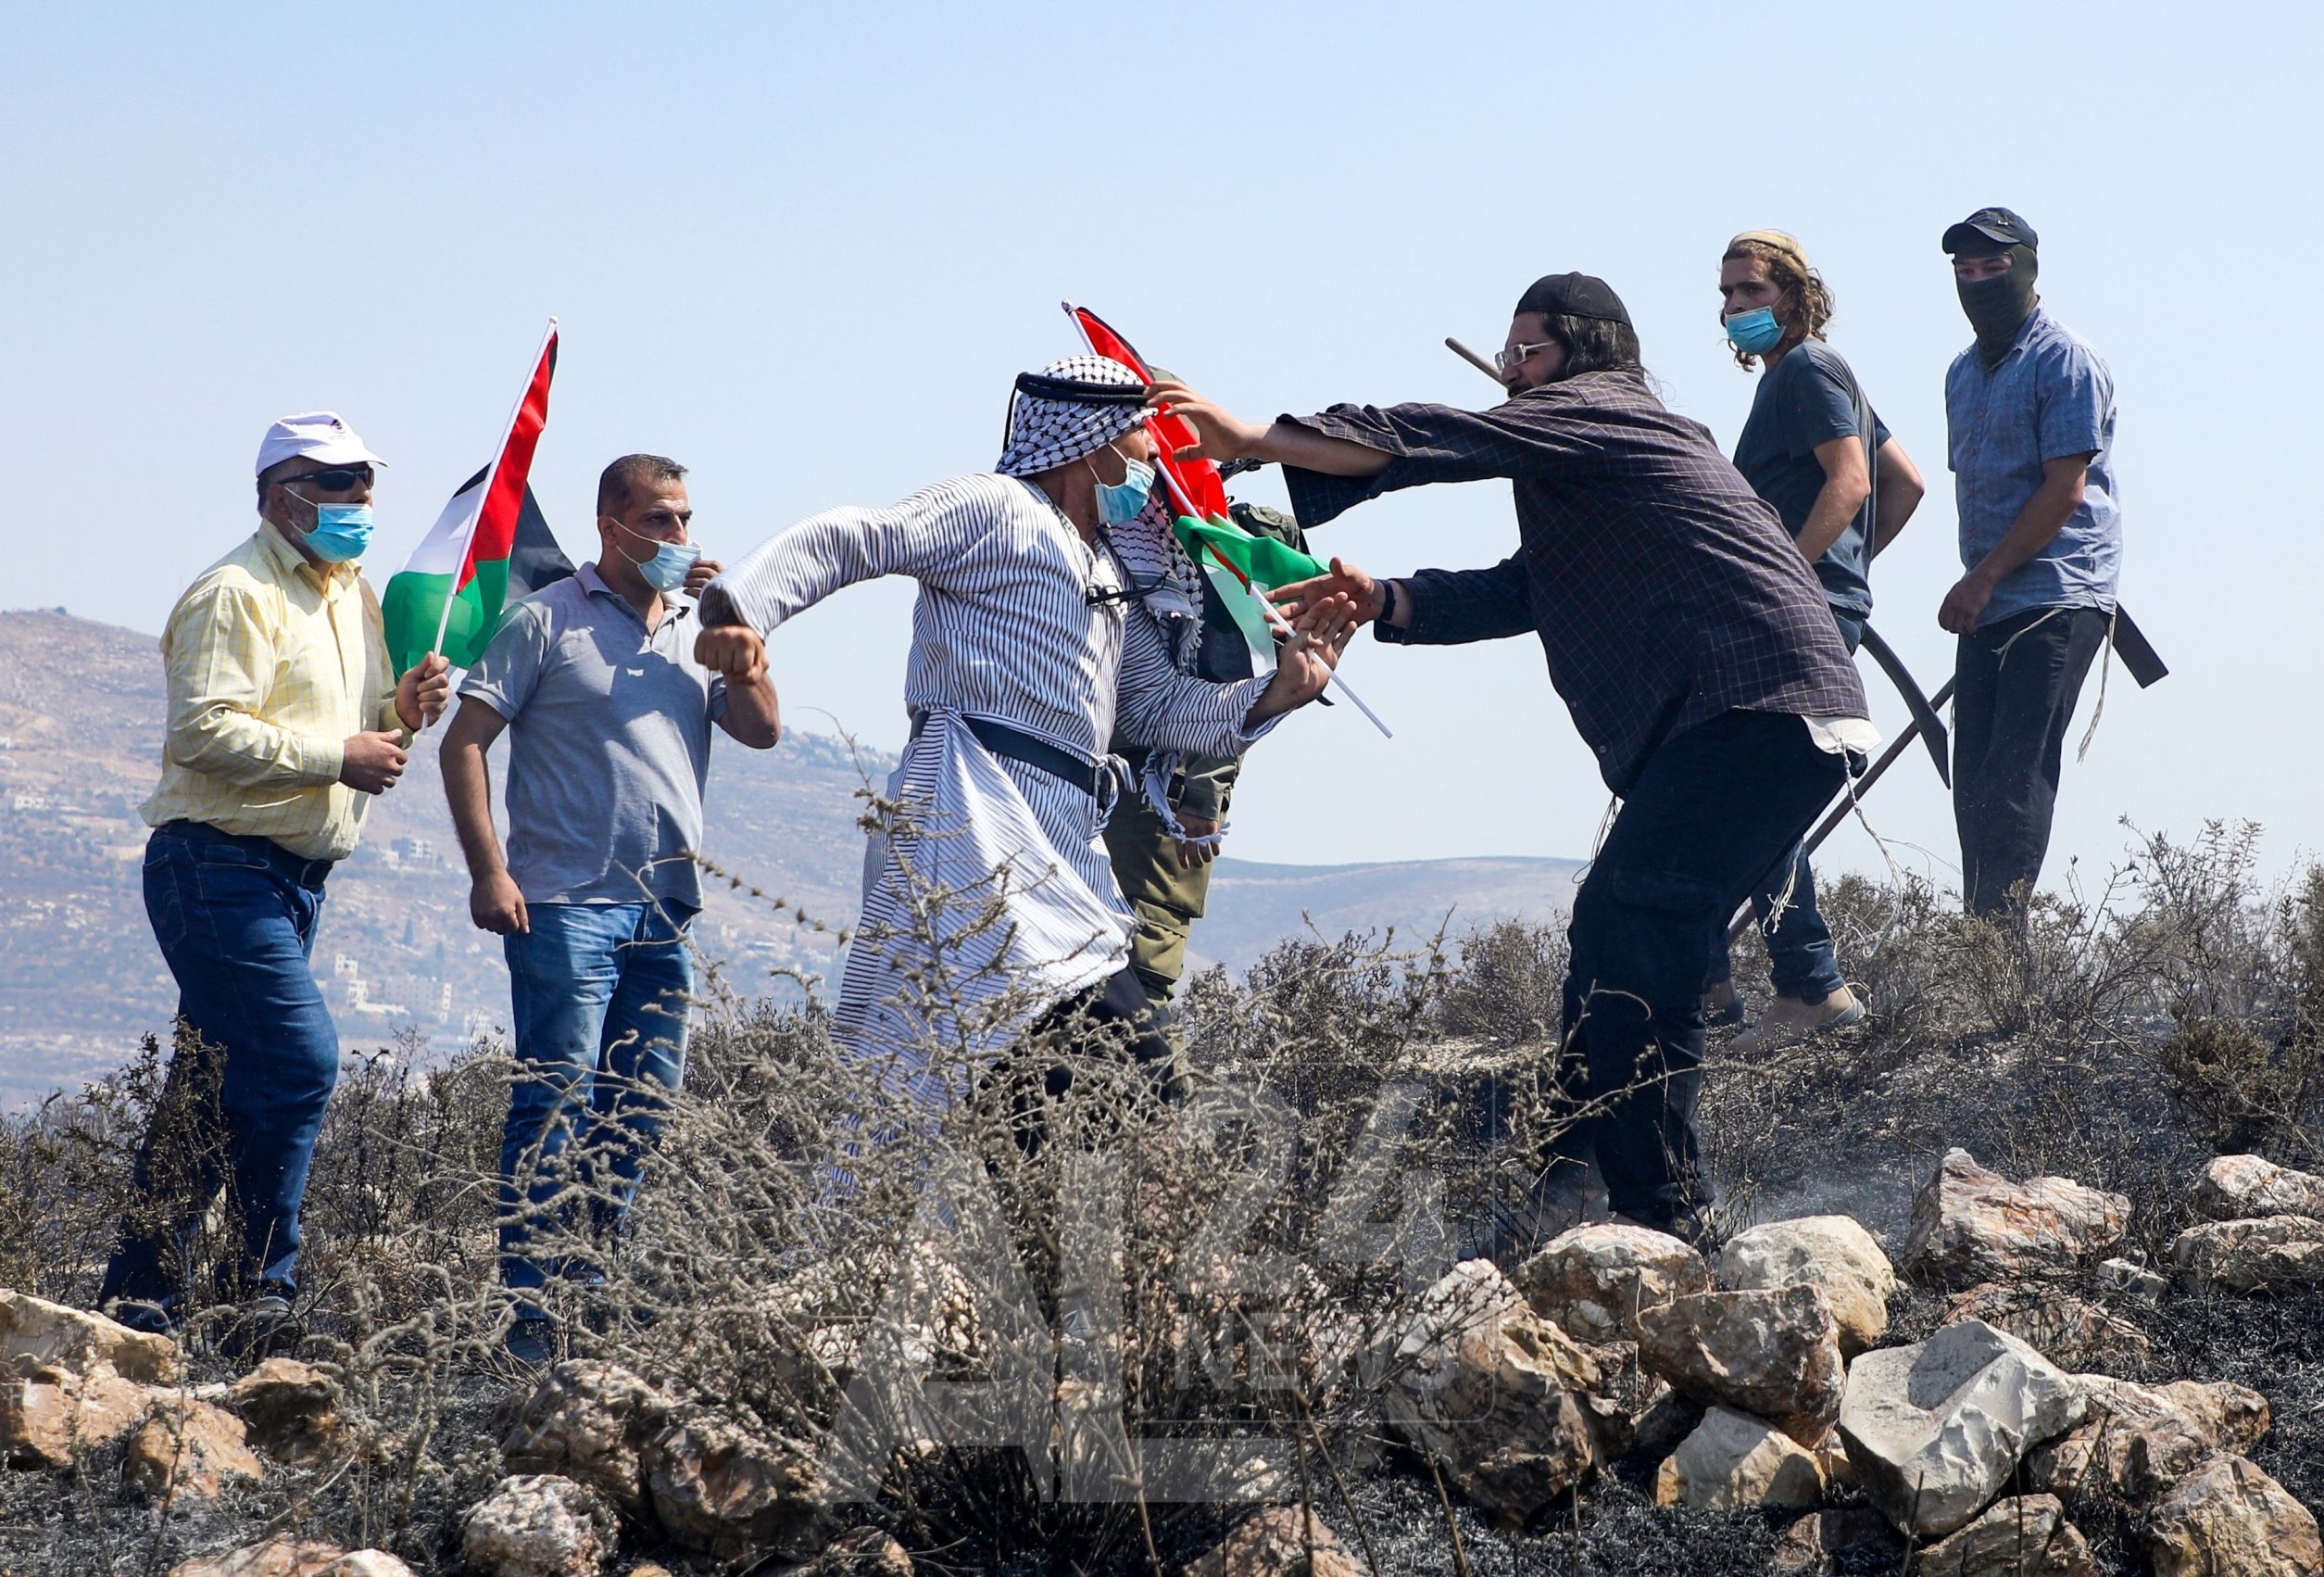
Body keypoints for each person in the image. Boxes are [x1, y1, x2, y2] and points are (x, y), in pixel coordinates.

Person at [1155, 274, 1874, 1241]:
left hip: (1757, 710)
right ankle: (1568, 1189)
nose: (1511, 372)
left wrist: (1253, 439)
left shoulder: (1609, 409)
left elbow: (1439, 436)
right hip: (1752, 722)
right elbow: (1524, 589)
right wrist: (1384, 600)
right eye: (1508, 356)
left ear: (1588, 354)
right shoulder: (1594, 465)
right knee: (1615, 939)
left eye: (1527, 353)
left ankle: (1664, 1213)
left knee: (1639, 928)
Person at [692, 358, 1351, 1091]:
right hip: (969, 813)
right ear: (1093, 442)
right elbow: (859, 536)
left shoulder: (1111, 572)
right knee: (1108, 1076)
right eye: (1142, 437)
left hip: (1063, 841)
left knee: (1038, 1094)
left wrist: (1277, 693)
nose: (1152, 457)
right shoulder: (994, 506)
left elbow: (1154, 708)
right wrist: (741, 613)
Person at [101, 412, 452, 1334]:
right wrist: (338, 757)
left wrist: (403, 712)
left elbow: (368, 728)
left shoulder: (353, 597)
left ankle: (137, 1303)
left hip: (292, 880)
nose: (358, 498)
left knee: (208, 1092)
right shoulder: (236, 593)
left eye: (364, 481)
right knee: (297, 1061)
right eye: (335, 482)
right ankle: (262, 1291)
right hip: (216, 865)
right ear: (279, 494)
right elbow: (203, 730)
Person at [440, 455, 781, 1361]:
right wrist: (489, 871)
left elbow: (761, 729)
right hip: (563, 905)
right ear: (610, 525)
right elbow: (464, 742)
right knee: (554, 1105)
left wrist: (741, 642)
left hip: (665, 909)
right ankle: (529, 1319)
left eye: (684, 518)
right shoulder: (545, 620)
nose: (678, 536)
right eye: (659, 519)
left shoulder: (699, 626)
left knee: (640, 1109)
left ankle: (591, 1294)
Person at [1707, 229, 1927, 1051]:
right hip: (1815, 610)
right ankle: (1734, 980)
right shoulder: (1806, 376)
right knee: (1743, 790)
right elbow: (1906, 481)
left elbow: (1856, 480)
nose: (1735, 308)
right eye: (1727, 295)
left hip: (1791, 616)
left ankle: (1806, 985)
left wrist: (1798, 577)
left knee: (1743, 793)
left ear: (1795, 296)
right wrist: (1847, 574)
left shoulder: (1807, 370)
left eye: (1751, 292)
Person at [1936, 208, 2119, 917]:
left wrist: (1981, 578)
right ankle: (1982, 944)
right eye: (1966, 270)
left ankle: (1999, 956)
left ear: (2028, 268)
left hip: (2055, 595)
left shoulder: (2063, 359)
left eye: (1995, 266)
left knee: (2014, 779)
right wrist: (1980, 583)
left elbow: (2064, 488)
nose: (1979, 281)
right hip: (1989, 602)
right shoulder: (1962, 373)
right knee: (1973, 785)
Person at [1100, 494, 1314, 1013]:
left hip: (1157, 789)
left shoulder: (1235, 537)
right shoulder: (1104, 517)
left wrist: (1201, 790)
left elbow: (1244, 671)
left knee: (1138, 976)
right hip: (1072, 775)